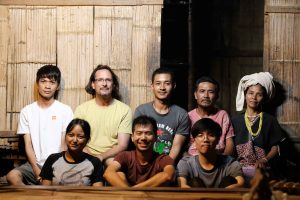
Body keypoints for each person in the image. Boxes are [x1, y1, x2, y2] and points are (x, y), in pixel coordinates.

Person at [6, 65, 73, 185]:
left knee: (59, 182)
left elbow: (64, 145)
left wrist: (54, 170)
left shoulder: (65, 110)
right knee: (12, 176)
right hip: (34, 164)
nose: (47, 86)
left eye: (52, 82)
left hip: (58, 164)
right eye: (43, 81)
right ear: (37, 84)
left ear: (57, 86)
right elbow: (28, 144)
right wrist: (36, 169)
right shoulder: (27, 111)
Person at [232, 72, 285, 186]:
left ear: (264, 98)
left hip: (262, 169)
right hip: (238, 170)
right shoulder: (234, 120)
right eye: (250, 93)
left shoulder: (270, 120)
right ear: (245, 94)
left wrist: (264, 160)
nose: (254, 98)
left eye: (259, 94)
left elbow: (275, 147)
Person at [74, 65, 132, 166]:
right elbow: (77, 140)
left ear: (113, 85)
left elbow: (122, 145)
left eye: (108, 80)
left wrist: (101, 157)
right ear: (93, 84)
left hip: (113, 156)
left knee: (115, 169)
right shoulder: (81, 109)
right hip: (86, 154)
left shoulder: (124, 110)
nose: (104, 84)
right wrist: (92, 157)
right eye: (100, 80)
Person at [134, 68, 190, 162]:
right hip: (145, 161)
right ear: (152, 86)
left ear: (173, 86)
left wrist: (165, 166)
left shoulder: (181, 114)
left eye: (167, 83)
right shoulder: (142, 110)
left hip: (168, 162)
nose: (162, 87)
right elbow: (138, 141)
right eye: (158, 83)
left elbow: (176, 146)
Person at [103, 115, 175, 187]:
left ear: (155, 137)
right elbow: (108, 173)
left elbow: (168, 175)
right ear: (132, 137)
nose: (143, 138)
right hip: (127, 197)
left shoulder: (163, 159)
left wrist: (135, 190)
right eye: (139, 133)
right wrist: (132, 193)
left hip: (152, 197)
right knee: (119, 174)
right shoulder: (124, 156)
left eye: (148, 133)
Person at [177, 118, 244, 188]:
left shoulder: (230, 163)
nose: (205, 139)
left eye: (211, 135)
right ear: (194, 141)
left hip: (225, 197)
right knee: (195, 183)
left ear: (218, 140)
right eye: (200, 135)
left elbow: (241, 183)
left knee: (230, 181)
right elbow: (182, 185)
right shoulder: (186, 163)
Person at [40, 118, 103, 186]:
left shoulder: (95, 163)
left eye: (80, 137)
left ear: (87, 140)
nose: (75, 140)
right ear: (65, 136)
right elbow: (46, 191)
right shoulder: (52, 159)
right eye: (71, 135)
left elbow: (97, 192)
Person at [187, 76, 234, 156]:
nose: (206, 95)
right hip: (194, 161)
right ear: (195, 95)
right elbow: (183, 146)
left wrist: (223, 164)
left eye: (211, 92)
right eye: (202, 91)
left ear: (216, 96)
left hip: (218, 161)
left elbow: (230, 144)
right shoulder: (188, 117)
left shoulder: (222, 115)